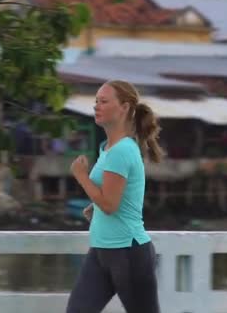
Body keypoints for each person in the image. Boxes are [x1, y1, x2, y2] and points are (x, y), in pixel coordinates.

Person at [68, 80, 164, 313]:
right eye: (96, 101)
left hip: (127, 253)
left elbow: (110, 204)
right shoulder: (107, 149)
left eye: (104, 101)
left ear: (125, 107)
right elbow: (112, 199)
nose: (96, 106)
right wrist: (95, 206)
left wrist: (81, 177)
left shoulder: (122, 150)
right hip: (102, 251)